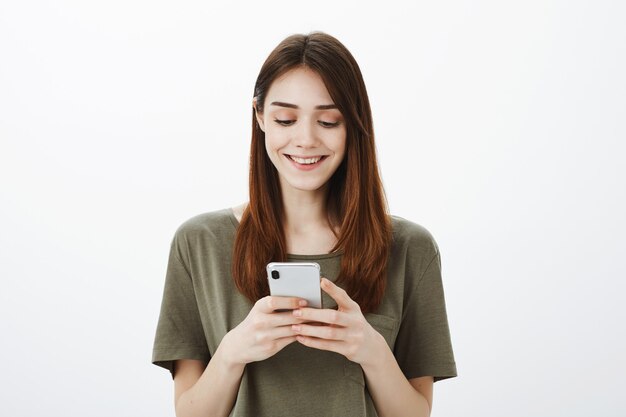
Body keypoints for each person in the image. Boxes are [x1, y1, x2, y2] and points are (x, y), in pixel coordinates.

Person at [152, 31, 457, 417]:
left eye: (328, 121)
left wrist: (373, 351)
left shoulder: (410, 248)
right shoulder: (198, 243)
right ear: (260, 117)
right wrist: (232, 352)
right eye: (286, 118)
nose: (306, 139)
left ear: (353, 125)